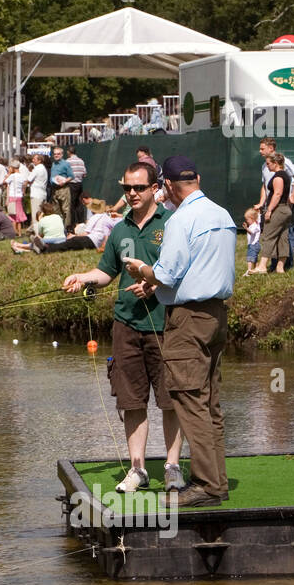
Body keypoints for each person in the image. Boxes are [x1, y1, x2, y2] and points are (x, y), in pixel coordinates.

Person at [63, 162, 184, 493]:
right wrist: (84, 278)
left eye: (138, 188)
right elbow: (106, 273)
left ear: (154, 189)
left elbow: (182, 273)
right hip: (126, 325)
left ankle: (173, 466)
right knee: (131, 401)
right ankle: (138, 469)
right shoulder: (119, 229)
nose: (131, 194)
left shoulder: (172, 224)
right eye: (126, 188)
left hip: (165, 326)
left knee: (171, 399)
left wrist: (154, 284)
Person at [124, 156, 236, 507]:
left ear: (168, 186)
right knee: (210, 403)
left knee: (189, 399)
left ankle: (206, 485)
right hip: (217, 316)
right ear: (197, 178)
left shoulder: (180, 220)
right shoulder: (223, 215)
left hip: (189, 319)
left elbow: (167, 275)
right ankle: (217, 480)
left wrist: (140, 268)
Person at [258, 152, 292, 273]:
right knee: (283, 237)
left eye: (268, 164)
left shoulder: (278, 176)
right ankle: (280, 267)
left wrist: (269, 210)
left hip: (279, 209)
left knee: (269, 235)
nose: (267, 166)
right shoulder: (286, 175)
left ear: (276, 163)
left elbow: (277, 194)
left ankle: (262, 266)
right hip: (285, 209)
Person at [49, 147, 74, 219]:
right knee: (56, 210)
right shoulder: (53, 164)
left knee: (65, 210)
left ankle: (66, 228)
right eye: (55, 154)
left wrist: (64, 181)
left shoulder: (66, 164)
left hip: (63, 189)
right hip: (54, 190)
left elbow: (71, 176)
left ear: (62, 155)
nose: (56, 155)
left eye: (58, 154)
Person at [66, 148, 87, 226]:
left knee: (71, 204)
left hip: (71, 184)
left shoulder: (67, 161)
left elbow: (65, 173)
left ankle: (72, 223)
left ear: (68, 152)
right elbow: (84, 174)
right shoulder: (81, 161)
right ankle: (81, 222)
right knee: (79, 204)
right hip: (79, 184)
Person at [6, 159, 27, 232]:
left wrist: (9, 173)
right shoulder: (22, 176)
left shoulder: (12, 176)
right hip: (19, 196)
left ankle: (14, 231)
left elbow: (5, 182)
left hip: (12, 196)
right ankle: (20, 232)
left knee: (13, 215)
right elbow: (24, 184)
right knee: (19, 214)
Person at [28, 153, 49, 220]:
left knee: (35, 216)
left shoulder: (36, 169)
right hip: (42, 194)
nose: (33, 160)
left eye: (34, 159)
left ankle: (36, 230)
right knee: (41, 215)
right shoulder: (44, 168)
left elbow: (28, 179)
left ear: (39, 160)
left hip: (36, 194)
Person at [243, 207, 262, 275]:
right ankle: (256, 269)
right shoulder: (257, 223)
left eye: (248, 219)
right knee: (255, 258)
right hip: (254, 244)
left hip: (253, 244)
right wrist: (258, 213)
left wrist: (246, 228)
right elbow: (259, 219)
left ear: (253, 218)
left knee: (250, 258)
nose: (247, 221)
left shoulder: (254, 226)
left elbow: (252, 232)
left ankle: (249, 270)